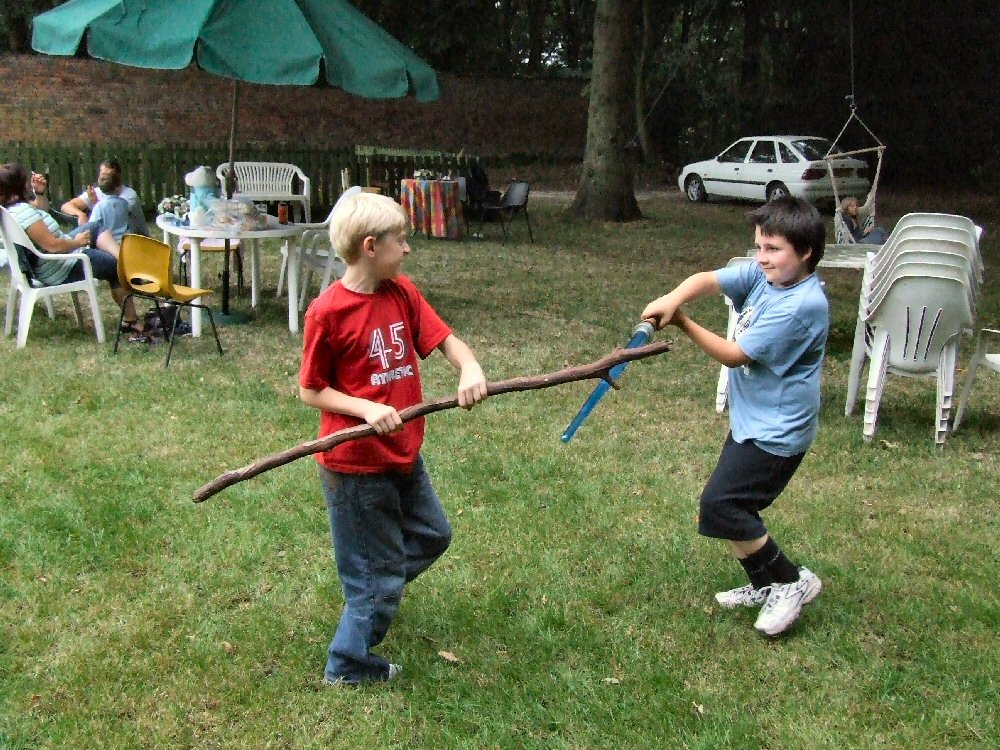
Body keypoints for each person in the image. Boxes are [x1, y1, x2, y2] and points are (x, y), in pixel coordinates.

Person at [298, 190, 488, 684]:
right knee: (376, 579)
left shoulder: (401, 292)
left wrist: (469, 367)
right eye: (399, 240)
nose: (406, 248)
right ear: (369, 247)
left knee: (432, 534)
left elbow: (446, 340)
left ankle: (372, 589)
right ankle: (348, 664)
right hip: (356, 465)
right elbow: (311, 390)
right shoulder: (328, 312)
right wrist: (365, 408)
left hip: (403, 453)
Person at [641, 196, 828, 637]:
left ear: (805, 253)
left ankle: (790, 582)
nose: (762, 257)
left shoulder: (802, 305)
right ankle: (765, 583)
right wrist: (672, 297)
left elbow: (734, 354)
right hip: (753, 421)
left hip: (779, 431)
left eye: (773, 249)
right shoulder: (767, 276)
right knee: (728, 508)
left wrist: (682, 321)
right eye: (759, 246)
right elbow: (707, 279)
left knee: (723, 505)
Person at [1, 163, 140, 333]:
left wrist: (40, 193)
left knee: (95, 226)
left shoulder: (12, 208)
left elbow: (42, 209)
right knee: (114, 266)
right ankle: (132, 320)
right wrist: (77, 242)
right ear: (19, 185)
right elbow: (53, 246)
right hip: (61, 265)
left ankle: (126, 262)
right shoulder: (24, 212)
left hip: (55, 257)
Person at [61, 159, 150, 237]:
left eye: (108, 175)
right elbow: (66, 206)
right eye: (102, 174)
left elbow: (114, 220)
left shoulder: (129, 195)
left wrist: (95, 203)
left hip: (134, 238)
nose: (103, 178)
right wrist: (80, 214)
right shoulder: (96, 192)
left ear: (117, 178)